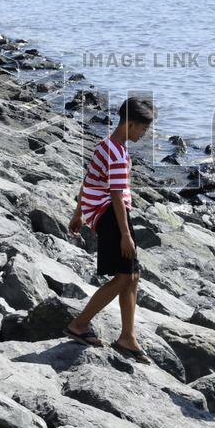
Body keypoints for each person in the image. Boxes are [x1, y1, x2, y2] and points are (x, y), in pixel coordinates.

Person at [65, 97, 156, 363]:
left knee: (133, 275)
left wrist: (79, 211)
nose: (144, 134)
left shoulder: (106, 145)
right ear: (130, 124)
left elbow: (90, 179)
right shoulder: (116, 154)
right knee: (123, 277)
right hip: (112, 217)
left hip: (104, 213)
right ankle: (79, 324)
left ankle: (127, 337)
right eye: (142, 129)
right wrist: (126, 234)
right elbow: (116, 194)